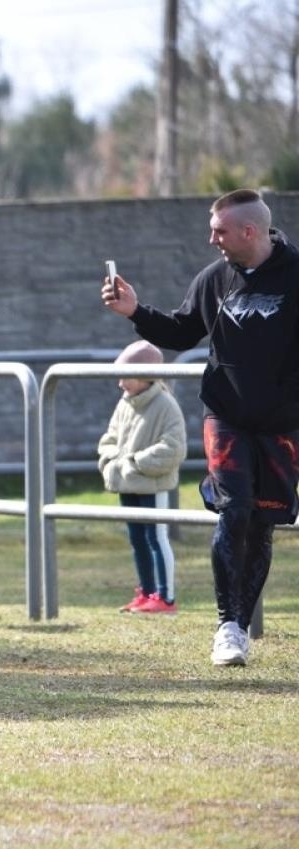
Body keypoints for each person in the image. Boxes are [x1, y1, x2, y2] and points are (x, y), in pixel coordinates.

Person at [102, 188, 299, 666]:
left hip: (282, 426)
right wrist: (134, 312)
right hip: (225, 416)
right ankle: (226, 626)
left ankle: (240, 623)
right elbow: (181, 331)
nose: (212, 240)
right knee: (234, 510)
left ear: (249, 231)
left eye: (219, 231)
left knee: (263, 524)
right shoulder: (214, 279)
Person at [96, 341, 187, 614]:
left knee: (156, 537)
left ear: (145, 375)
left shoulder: (166, 405)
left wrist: (135, 462)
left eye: (125, 376)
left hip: (152, 484)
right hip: (127, 482)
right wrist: (112, 462)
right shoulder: (125, 404)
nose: (120, 383)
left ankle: (165, 597)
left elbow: (173, 448)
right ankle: (147, 591)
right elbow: (109, 438)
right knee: (137, 539)